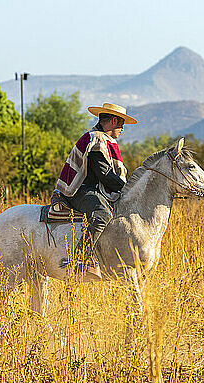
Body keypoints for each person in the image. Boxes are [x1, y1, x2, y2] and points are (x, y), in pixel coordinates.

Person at [55, 103, 138, 279]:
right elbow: (105, 174)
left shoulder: (101, 139)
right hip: (79, 190)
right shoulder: (96, 140)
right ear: (114, 121)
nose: (122, 129)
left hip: (92, 190)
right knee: (101, 214)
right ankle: (79, 259)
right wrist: (127, 189)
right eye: (121, 123)